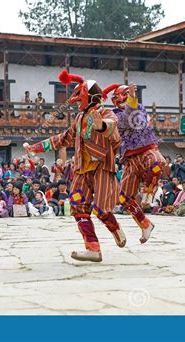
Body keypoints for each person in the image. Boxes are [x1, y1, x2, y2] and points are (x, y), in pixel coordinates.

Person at [25, 69, 125, 262]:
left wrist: (100, 125)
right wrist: (35, 148)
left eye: (80, 98)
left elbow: (113, 128)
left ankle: (115, 228)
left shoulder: (105, 112)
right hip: (81, 170)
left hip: (101, 168)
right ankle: (93, 248)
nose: (77, 102)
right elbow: (62, 139)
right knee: (78, 208)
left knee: (101, 208)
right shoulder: (79, 119)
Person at [102, 82, 165, 242]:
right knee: (123, 197)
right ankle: (144, 224)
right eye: (118, 97)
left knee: (157, 162)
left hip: (147, 150)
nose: (120, 100)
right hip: (129, 159)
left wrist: (132, 98)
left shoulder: (139, 109)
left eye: (125, 97)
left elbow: (132, 117)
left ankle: (148, 194)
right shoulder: (113, 114)